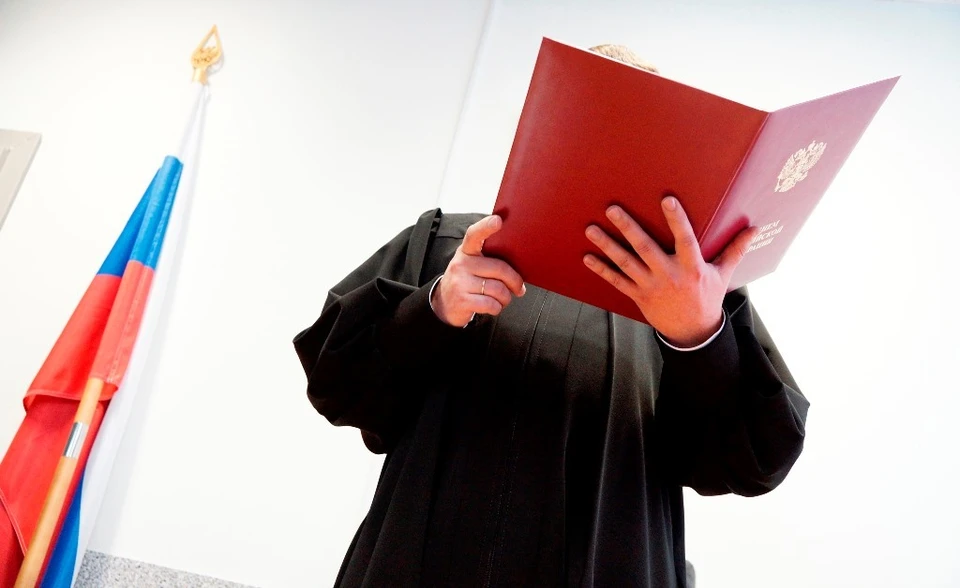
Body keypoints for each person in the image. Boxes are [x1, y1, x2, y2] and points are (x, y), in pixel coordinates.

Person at [293, 45, 809, 588]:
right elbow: (336, 384)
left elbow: (756, 461)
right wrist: (435, 307)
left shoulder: (698, 292)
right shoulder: (450, 244)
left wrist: (698, 338)